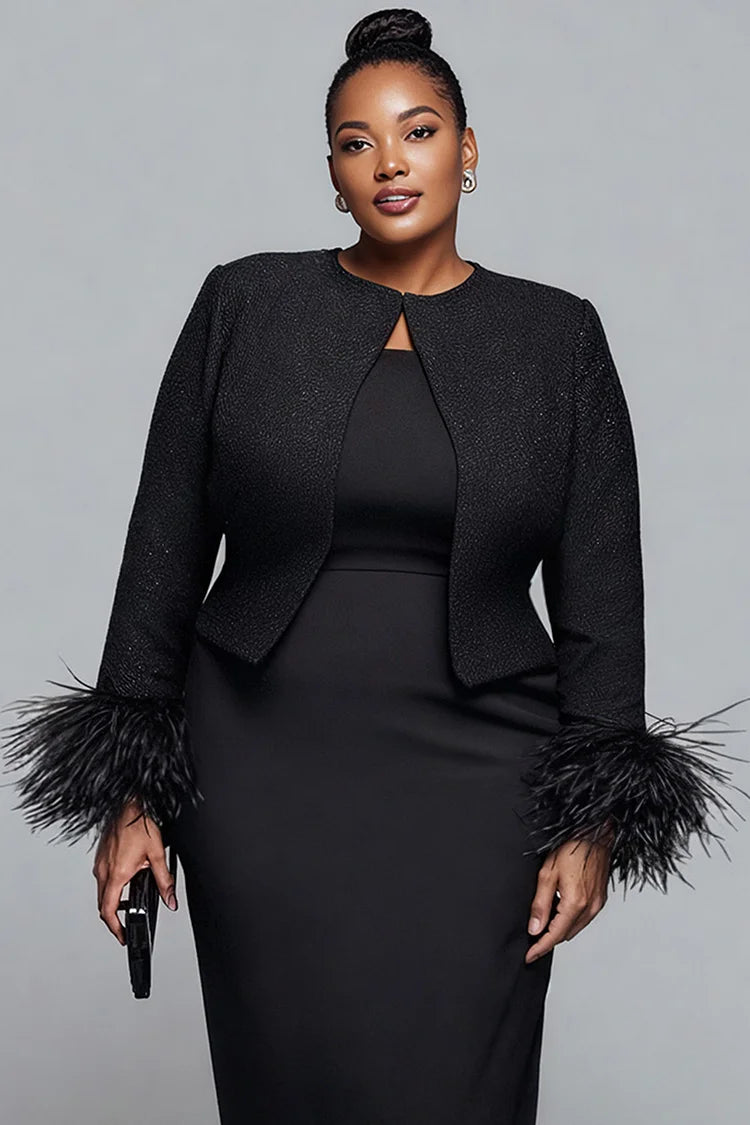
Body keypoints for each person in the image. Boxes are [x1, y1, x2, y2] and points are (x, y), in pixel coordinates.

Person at [2, 9, 748, 1124]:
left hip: (483, 786)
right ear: (333, 171)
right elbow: (161, 552)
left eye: (419, 131)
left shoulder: (558, 340)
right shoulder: (246, 305)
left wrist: (594, 820)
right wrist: (131, 796)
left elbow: (603, 601)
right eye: (357, 142)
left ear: (468, 148)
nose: (390, 162)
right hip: (260, 773)